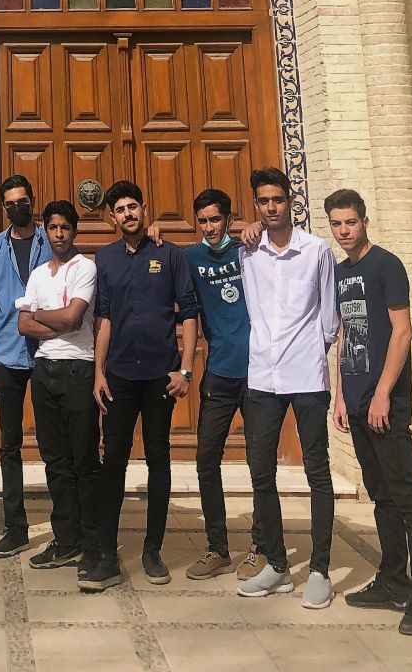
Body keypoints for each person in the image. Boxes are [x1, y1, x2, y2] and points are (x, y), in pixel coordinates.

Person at [326, 189, 412, 637]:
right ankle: (392, 580)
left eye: (350, 222)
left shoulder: (386, 265)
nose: (343, 231)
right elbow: (343, 335)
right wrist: (340, 396)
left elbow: (402, 332)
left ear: (365, 221)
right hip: (354, 402)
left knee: (407, 496)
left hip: (384, 404)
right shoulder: (339, 273)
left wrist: (382, 394)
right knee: (380, 495)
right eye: (336, 224)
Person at [84, 180, 198, 594]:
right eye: (121, 209)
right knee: (112, 462)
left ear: (144, 209)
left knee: (158, 459)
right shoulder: (106, 259)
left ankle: (153, 549)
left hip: (159, 378)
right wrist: (98, 371)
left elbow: (187, 312)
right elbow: (105, 318)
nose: (129, 214)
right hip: (117, 377)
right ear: (111, 216)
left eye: (134, 206)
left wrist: (185, 370)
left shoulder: (170, 255)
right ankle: (105, 552)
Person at [236, 166, 338, 610]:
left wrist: (315, 351)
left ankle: (320, 569)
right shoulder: (248, 250)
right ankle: (277, 565)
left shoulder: (317, 250)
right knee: (261, 472)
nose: (271, 208)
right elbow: (203, 240)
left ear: (291, 201)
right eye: (263, 201)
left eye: (277, 199)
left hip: (306, 376)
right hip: (262, 375)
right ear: (255, 205)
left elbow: (330, 318)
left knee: (317, 471)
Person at [15, 199, 100, 574]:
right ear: (46, 231)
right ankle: (67, 540)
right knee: (55, 460)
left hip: (78, 369)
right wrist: (56, 321)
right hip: (44, 370)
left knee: (83, 459)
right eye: (53, 228)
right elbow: (22, 325)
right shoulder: (37, 275)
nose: (60, 234)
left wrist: (44, 317)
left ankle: (95, 542)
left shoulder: (86, 268)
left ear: (74, 230)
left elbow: (73, 318)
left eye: (66, 227)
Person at [185, 188, 262, 581]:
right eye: (203, 221)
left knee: (259, 462)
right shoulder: (191, 258)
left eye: (216, 220)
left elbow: (281, 231)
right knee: (205, 460)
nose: (210, 228)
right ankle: (218, 547)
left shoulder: (250, 248)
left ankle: (262, 547)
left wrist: (258, 224)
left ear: (229, 220)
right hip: (219, 372)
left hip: (260, 371)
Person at [0, 173, 51, 558]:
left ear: (32, 201)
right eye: (9, 204)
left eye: (21, 201)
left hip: (47, 354)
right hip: (7, 355)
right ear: (4, 207)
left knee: (53, 443)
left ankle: (65, 527)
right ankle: (15, 527)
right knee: (10, 444)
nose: (15, 208)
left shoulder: (51, 241)